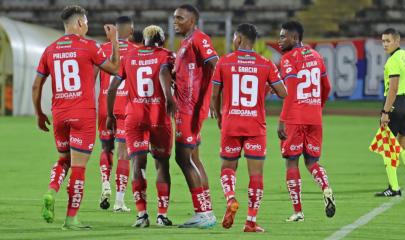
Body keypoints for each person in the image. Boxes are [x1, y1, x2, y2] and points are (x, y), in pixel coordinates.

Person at [32, 5, 120, 230]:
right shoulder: (90, 46)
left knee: (64, 160)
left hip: (59, 114)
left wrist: (39, 113)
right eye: (87, 22)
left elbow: (36, 85)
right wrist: (114, 40)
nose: (87, 26)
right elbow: (114, 68)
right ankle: (71, 219)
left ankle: (52, 190)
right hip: (83, 115)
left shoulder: (50, 50)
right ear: (80, 23)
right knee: (79, 168)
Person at [211, 23, 287, 232]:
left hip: (231, 122)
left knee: (227, 168)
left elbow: (215, 96)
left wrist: (218, 116)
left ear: (240, 39)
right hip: (255, 125)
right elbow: (283, 92)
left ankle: (230, 198)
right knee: (256, 176)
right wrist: (265, 89)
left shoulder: (224, 62)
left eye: (235, 37)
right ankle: (251, 222)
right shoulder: (266, 63)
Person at [107, 25, 176, 227]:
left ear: (144, 40)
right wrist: (169, 97)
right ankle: (162, 215)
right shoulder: (166, 55)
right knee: (162, 164)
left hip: (134, 116)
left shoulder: (129, 57)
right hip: (158, 115)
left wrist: (111, 116)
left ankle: (141, 215)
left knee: (138, 163)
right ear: (161, 41)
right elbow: (165, 73)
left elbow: (112, 88)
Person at [277, 21, 335, 222]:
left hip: (294, 117)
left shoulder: (287, 59)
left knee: (291, 162)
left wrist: (282, 120)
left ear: (294, 38)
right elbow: (326, 87)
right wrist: (318, 107)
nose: (280, 40)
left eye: (283, 36)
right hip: (314, 117)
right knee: (312, 162)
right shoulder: (316, 56)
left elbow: (290, 91)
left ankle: (298, 211)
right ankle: (326, 188)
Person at [172, 4, 218, 228]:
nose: (175, 22)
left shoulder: (200, 38)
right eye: (174, 18)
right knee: (194, 159)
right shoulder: (185, 43)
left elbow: (216, 65)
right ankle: (206, 212)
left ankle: (203, 213)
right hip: (187, 107)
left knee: (183, 159)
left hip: (189, 109)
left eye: (180, 18)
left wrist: (213, 100)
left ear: (192, 20)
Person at [97, 16, 137, 212]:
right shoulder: (136, 52)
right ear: (131, 32)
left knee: (106, 148)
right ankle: (119, 202)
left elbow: (91, 78)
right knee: (124, 154)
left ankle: (105, 183)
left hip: (105, 104)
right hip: (125, 106)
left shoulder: (102, 49)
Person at [376, 28, 405, 197]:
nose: (385, 44)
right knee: (402, 147)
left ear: (397, 41)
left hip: (395, 105)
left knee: (388, 147)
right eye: (383, 41)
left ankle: (394, 188)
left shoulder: (392, 61)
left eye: (388, 41)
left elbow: (393, 88)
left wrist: (385, 111)